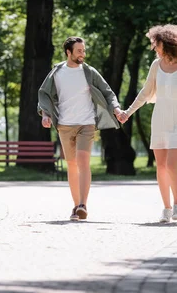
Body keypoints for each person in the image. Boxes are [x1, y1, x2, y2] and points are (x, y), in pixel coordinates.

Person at [117, 24, 177, 223]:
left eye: (157, 44)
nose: (155, 48)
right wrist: (128, 112)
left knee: (171, 164)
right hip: (161, 117)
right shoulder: (156, 65)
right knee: (161, 166)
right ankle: (166, 208)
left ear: (169, 43)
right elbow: (145, 93)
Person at [38, 37, 122, 221]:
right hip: (65, 125)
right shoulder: (57, 72)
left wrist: (116, 109)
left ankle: (83, 204)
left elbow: (107, 91)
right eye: (79, 51)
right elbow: (44, 94)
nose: (82, 54)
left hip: (86, 123)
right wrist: (45, 114)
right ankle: (75, 206)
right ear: (68, 52)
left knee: (83, 162)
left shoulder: (89, 72)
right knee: (72, 165)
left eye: (83, 50)